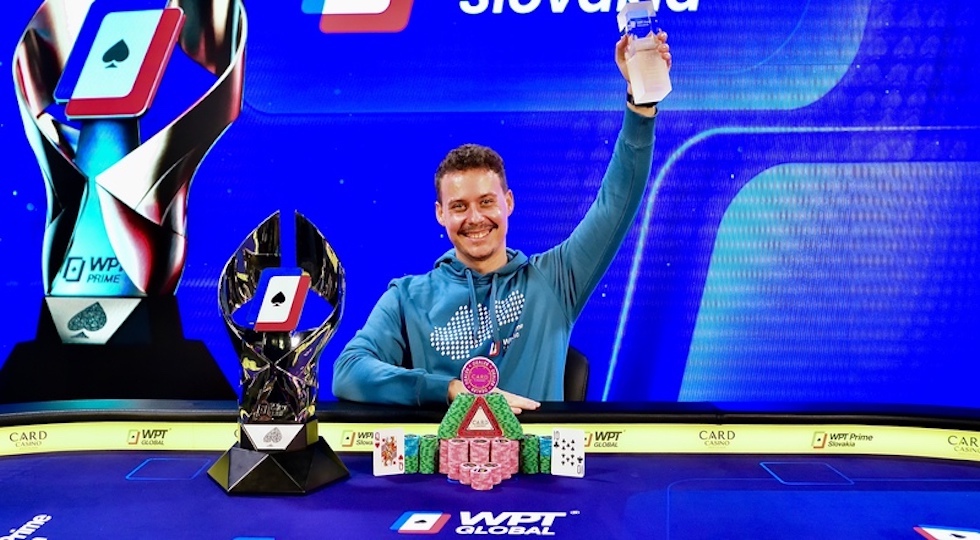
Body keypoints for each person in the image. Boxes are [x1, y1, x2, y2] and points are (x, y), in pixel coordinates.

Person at [333, 32, 671, 413]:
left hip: (537, 453)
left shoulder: (556, 278)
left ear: (508, 203)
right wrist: (451, 390)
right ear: (440, 213)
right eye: (459, 206)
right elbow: (348, 371)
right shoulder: (407, 297)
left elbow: (616, 203)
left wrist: (640, 104)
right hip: (444, 454)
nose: (475, 218)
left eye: (486, 202)